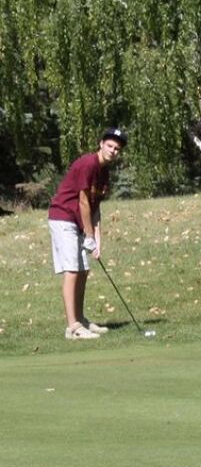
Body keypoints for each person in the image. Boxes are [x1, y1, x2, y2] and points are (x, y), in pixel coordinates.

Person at [47, 127, 126, 340]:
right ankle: (72, 327)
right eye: (110, 146)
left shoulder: (104, 171)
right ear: (101, 144)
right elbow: (83, 202)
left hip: (79, 222)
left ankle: (81, 320)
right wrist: (89, 237)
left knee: (83, 270)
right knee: (72, 270)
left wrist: (97, 241)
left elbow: (95, 208)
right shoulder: (88, 164)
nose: (113, 151)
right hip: (63, 217)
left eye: (117, 148)